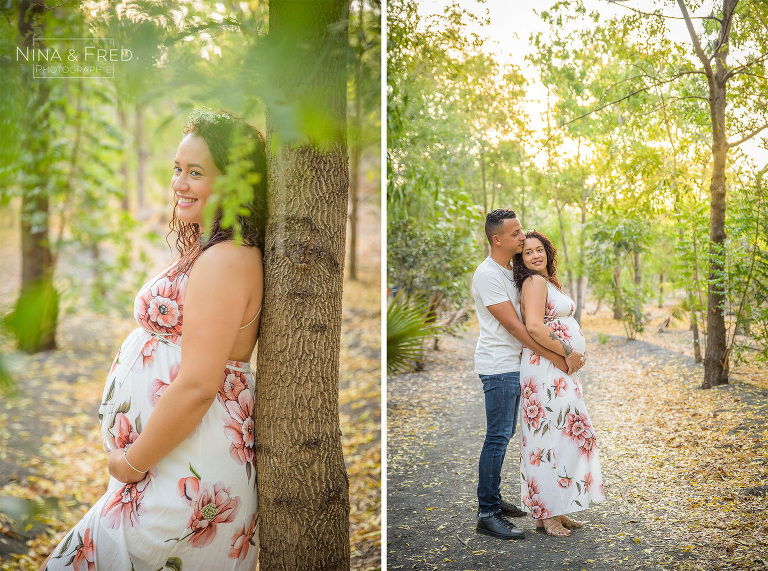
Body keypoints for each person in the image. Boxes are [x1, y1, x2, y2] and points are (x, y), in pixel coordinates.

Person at [42, 108, 267, 570]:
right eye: (177, 169)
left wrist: (133, 464)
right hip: (173, 460)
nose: (179, 183)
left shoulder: (226, 260)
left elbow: (199, 384)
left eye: (196, 172)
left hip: (186, 472)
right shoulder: (212, 250)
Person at [472, 209, 585, 541]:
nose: (523, 237)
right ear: (498, 239)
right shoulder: (487, 275)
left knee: (514, 436)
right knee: (497, 437)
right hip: (500, 366)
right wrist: (559, 354)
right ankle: (487, 512)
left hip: (519, 364)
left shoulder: (509, 271)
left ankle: (503, 500)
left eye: (522, 231)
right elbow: (518, 328)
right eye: (516, 233)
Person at [513, 230, 605, 537]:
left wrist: (571, 357)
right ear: (521, 259)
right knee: (549, 439)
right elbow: (535, 327)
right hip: (546, 369)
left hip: (556, 370)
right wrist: (568, 353)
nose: (536, 255)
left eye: (539, 249)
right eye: (528, 252)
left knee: (561, 437)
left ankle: (553, 510)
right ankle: (547, 514)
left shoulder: (546, 281)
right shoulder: (534, 282)